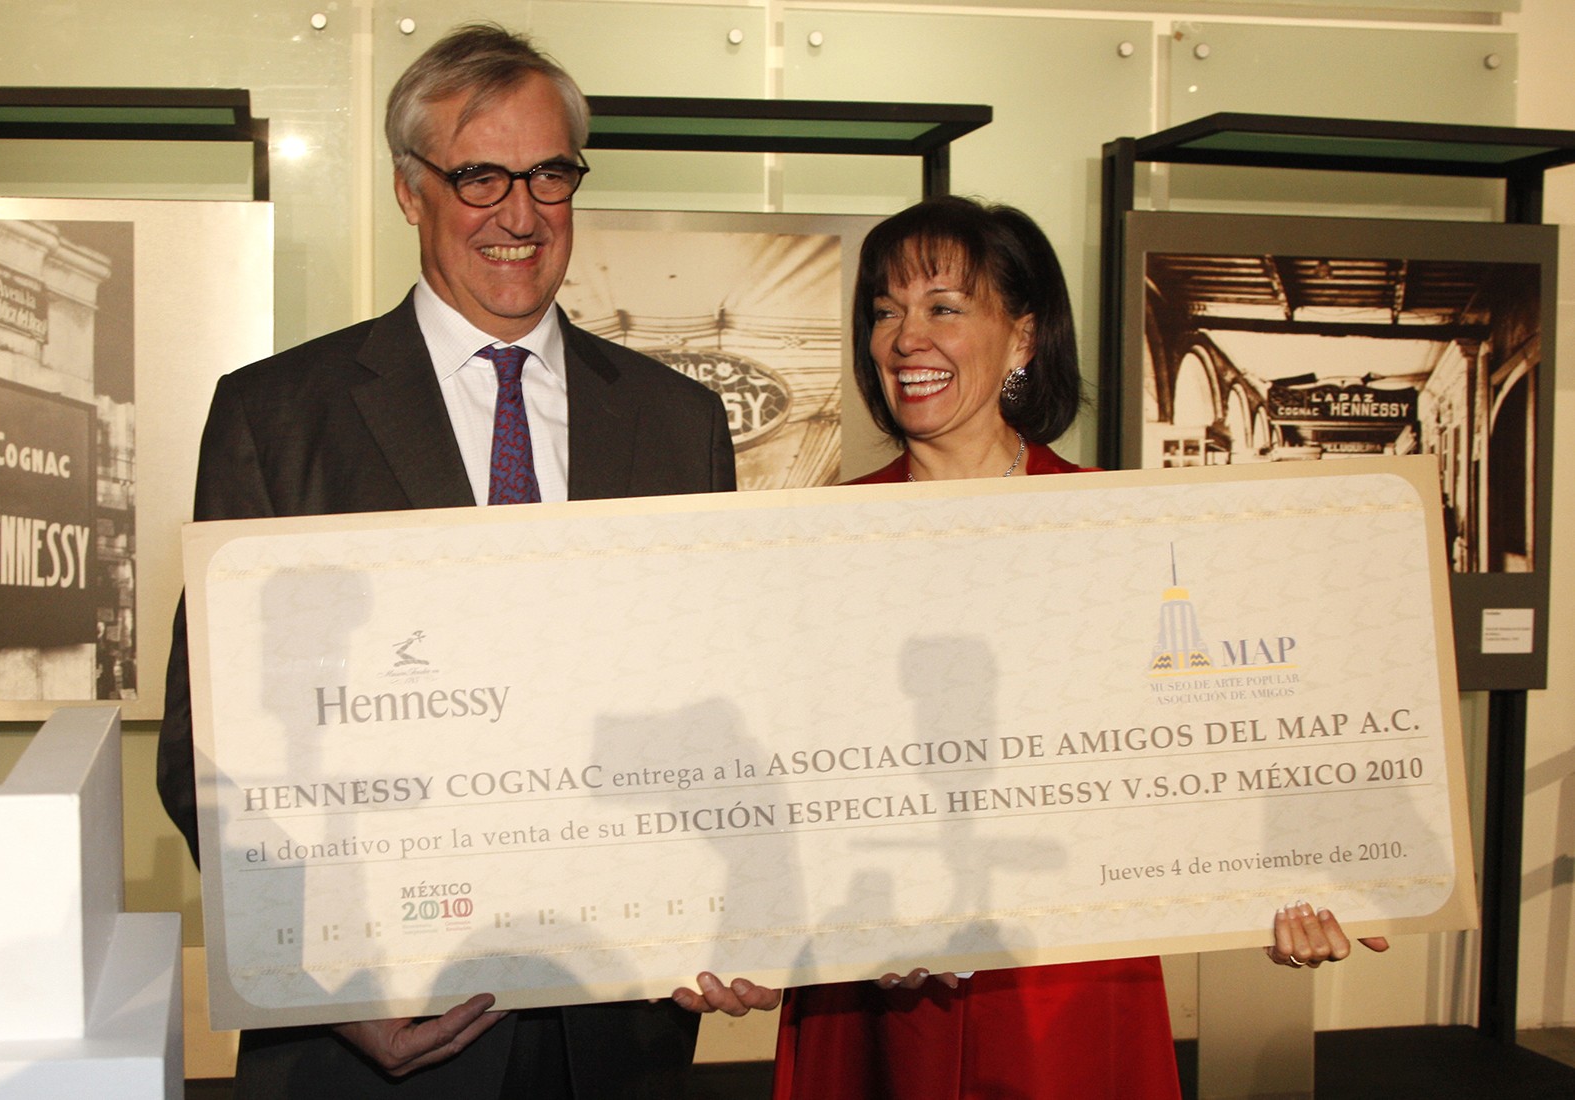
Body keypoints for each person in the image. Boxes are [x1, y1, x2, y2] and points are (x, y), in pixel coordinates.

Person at [156, 23, 734, 1099]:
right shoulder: (276, 418)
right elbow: (209, 747)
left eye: (550, 173)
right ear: (408, 189)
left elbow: (716, 711)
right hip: (368, 1040)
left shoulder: (677, 422)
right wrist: (331, 983)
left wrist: (742, 908)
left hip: (618, 1031)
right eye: (480, 177)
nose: (521, 214)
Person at [717, 195, 1387, 1099]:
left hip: (1064, 985)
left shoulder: (1119, 530)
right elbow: (771, 768)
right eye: (885, 310)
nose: (906, 338)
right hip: (867, 991)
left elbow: (1216, 740)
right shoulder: (816, 540)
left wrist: (1303, 877)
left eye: (944, 307)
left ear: (1023, 338)